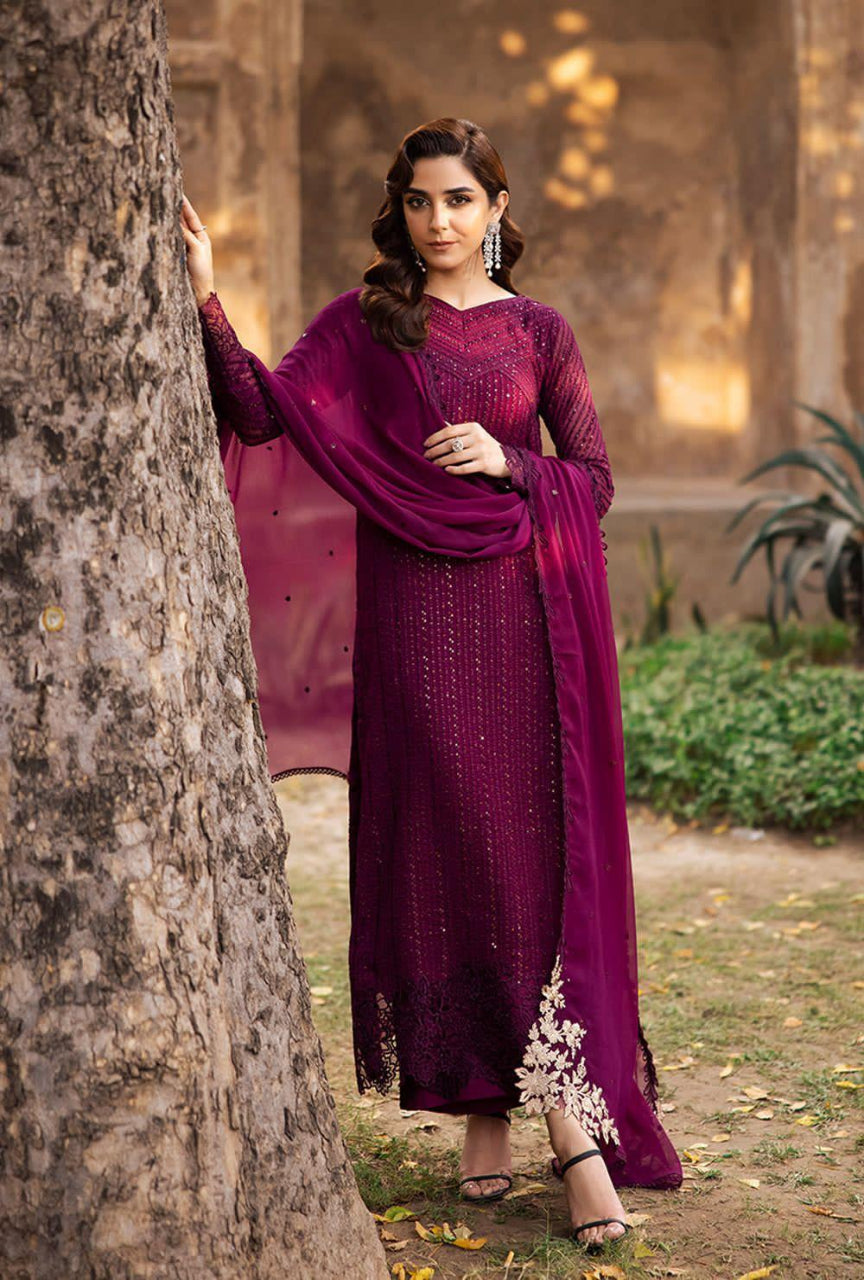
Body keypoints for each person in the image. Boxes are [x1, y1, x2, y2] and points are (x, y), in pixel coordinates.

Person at [181, 116, 682, 1251]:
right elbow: (265, 410)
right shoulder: (369, 325)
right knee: (446, 845)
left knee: (528, 851)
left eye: (461, 201)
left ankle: (566, 1119)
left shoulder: (540, 330)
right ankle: (479, 1107)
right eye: (420, 201)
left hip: (520, 620)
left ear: (496, 210)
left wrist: (513, 460)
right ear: (401, 211)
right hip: (417, 617)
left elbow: (592, 478)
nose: (440, 221)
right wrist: (209, 301)